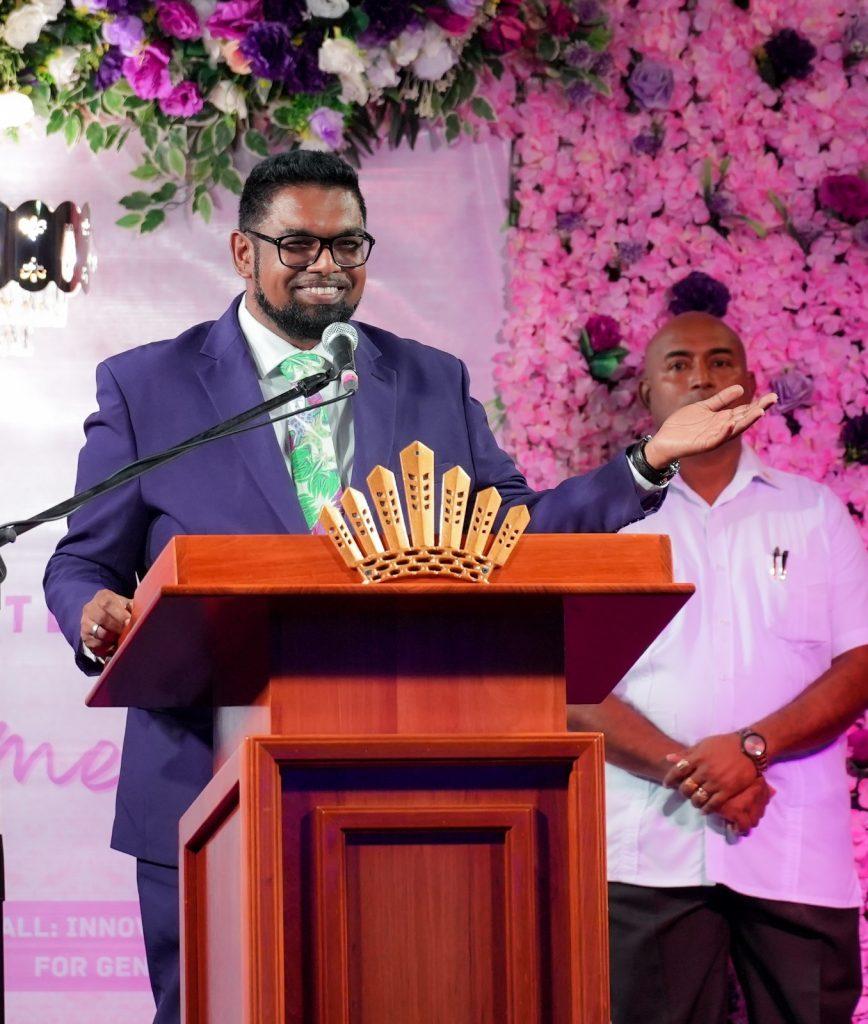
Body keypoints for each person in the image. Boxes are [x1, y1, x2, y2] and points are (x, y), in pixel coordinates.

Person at [43, 153, 775, 1024]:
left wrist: (646, 461)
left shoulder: (428, 377)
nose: (328, 265)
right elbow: (82, 561)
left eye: (348, 244)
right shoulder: (148, 384)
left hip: (405, 792)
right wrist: (94, 612)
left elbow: (515, 535)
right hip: (201, 779)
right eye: (300, 245)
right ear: (244, 253)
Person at [569, 311, 868, 1024]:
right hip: (647, 850)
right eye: (678, 364)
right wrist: (698, 770)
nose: (701, 376)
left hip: (792, 843)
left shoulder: (813, 513)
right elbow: (570, 686)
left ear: (753, 383)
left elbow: (859, 663)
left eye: (720, 360)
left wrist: (752, 750)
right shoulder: (605, 522)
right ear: (646, 394)